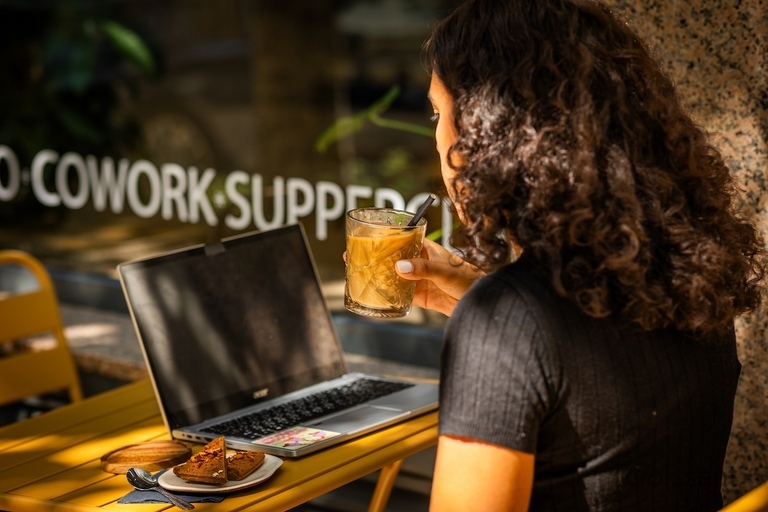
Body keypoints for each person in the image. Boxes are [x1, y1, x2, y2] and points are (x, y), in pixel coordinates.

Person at [391, 0, 767, 510]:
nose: (437, 139)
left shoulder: (508, 325)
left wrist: (496, 322)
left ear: (488, 130)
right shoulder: (688, 274)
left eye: (440, 112)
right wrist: (486, 304)